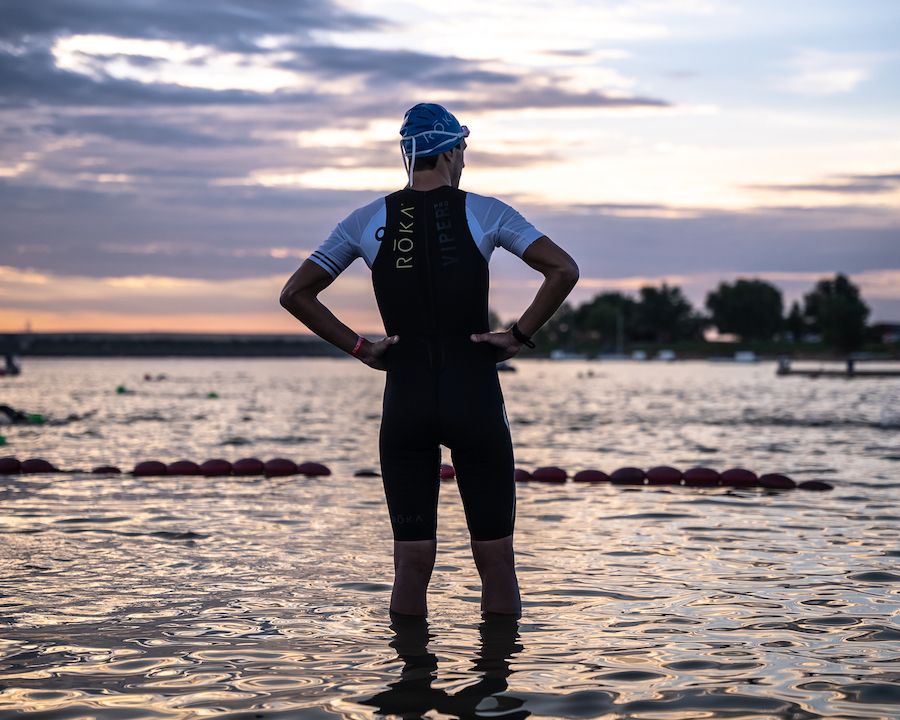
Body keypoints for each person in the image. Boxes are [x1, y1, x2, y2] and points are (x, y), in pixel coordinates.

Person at [280, 103, 578, 617]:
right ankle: (496, 688)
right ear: (451, 150)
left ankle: (410, 686)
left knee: (411, 565)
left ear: (408, 154)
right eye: (463, 149)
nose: (464, 159)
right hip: (474, 396)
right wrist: (516, 337)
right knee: (496, 562)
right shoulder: (486, 211)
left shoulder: (365, 220)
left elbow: (296, 294)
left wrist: (363, 348)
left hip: (406, 401)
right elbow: (563, 270)